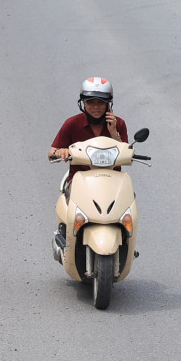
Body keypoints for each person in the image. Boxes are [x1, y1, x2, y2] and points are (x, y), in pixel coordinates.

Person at [49, 78, 128, 245]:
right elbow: (52, 152)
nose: (96, 106)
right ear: (83, 103)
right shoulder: (72, 124)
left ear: (109, 104)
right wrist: (62, 151)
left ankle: (127, 242)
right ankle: (66, 240)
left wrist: (114, 133)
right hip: (79, 180)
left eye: (101, 102)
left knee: (126, 209)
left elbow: (126, 152)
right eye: (90, 102)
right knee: (73, 213)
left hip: (112, 181)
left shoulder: (118, 124)